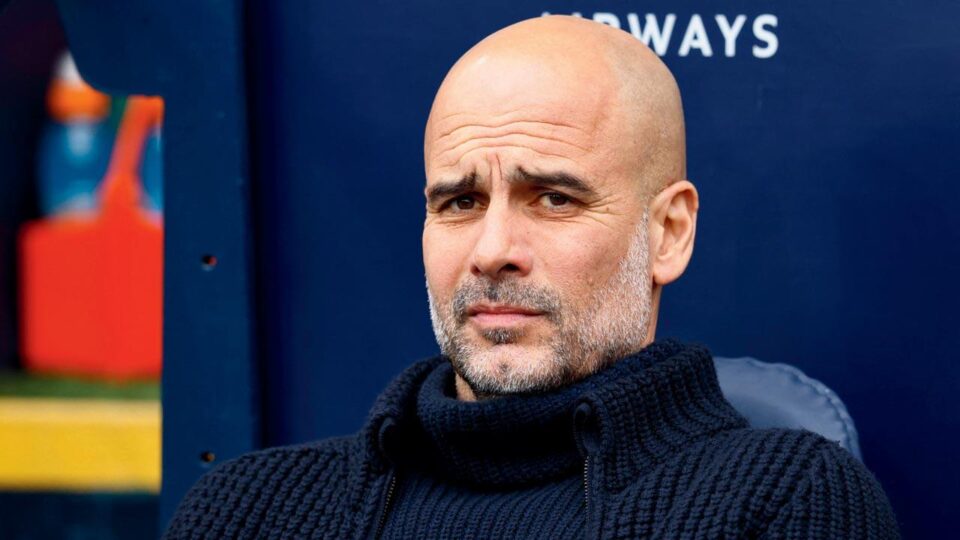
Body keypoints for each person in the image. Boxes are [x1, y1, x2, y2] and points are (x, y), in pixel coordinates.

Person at [164, 16, 900, 539]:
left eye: (553, 198)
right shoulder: (245, 512)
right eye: (460, 202)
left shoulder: (782, 502)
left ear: (668, 233)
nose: (492, 251)